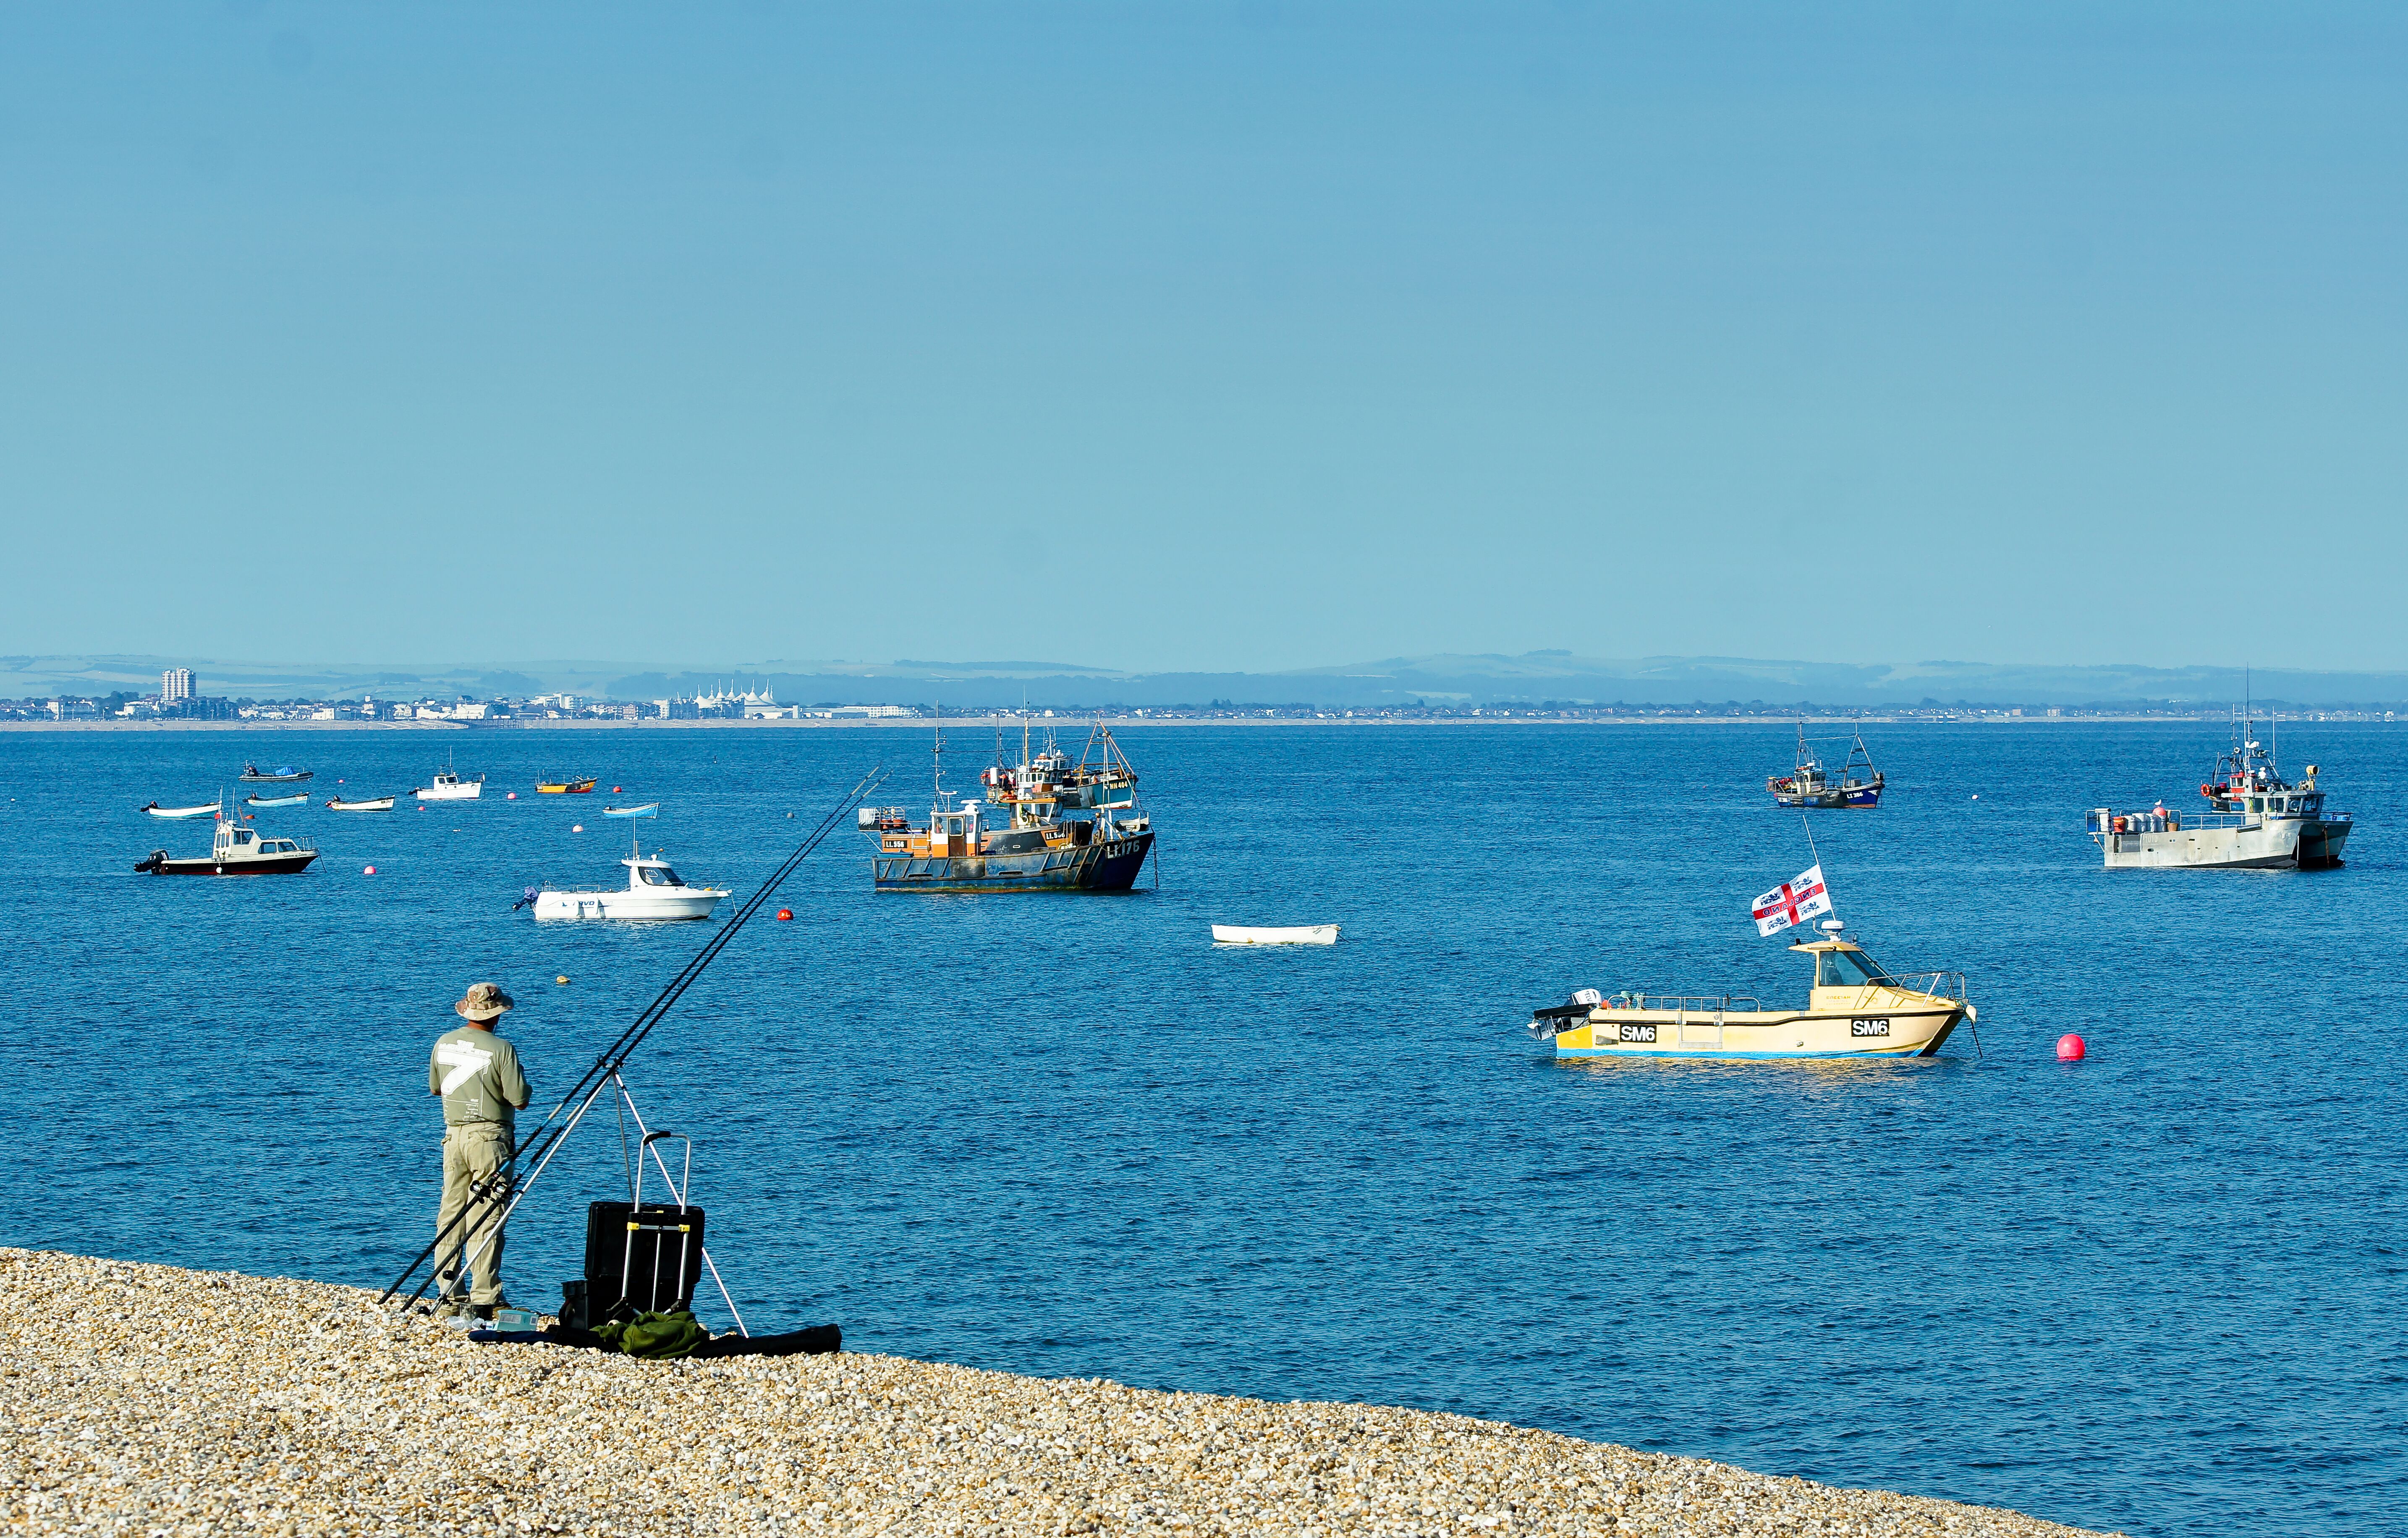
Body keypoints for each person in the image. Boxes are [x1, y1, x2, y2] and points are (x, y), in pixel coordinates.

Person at [429, 982, 531, 1320]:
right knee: (487, 1215)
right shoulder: (502, 1049)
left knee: (451, 1213)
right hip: (490, 1139)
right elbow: (520, 1099)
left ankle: (449, 1294)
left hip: (453, 1137)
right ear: (497, 1013)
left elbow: (435, 1088)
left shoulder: (443, 1043)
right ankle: (485, 1295)